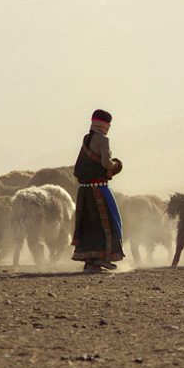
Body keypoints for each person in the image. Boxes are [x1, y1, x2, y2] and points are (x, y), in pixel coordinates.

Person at [71, 109, 125, 272]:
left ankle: (90, 262)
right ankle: (104, 257)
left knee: (89, 225)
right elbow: (106, 164)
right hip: (99, 190)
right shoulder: (103, 139)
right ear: (106, 124)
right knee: (109, 221)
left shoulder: (86, 139)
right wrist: (117, 165)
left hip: (84, 191)